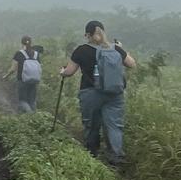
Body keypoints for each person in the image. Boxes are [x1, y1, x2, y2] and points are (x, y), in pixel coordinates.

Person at [58, 20, 137, 163]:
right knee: (114, 125)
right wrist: (121, 49)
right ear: (103, 32)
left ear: (87, 35)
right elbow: (132, 64)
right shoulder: (115, 49)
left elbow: (69, 72)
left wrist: (62, 72)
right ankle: (116, 156)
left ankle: (92, 155)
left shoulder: (81, 50)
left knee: (92, 125)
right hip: (114, 94)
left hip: (90, 93)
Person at [4, 35, 44, 112]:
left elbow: (13, 69)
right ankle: (35, 118)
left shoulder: (19, 53)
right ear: (31, 43)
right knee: (32, 101)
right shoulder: (36, 54)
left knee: (23, 101)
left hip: (22, 80)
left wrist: (6, 76)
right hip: (34, 80)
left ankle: (30, 116)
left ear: (22, 43)